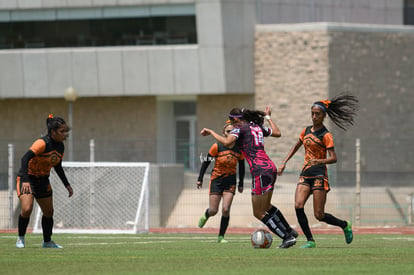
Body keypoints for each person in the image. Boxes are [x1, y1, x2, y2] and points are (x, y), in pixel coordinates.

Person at [201, 107, 297, 248]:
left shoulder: (240, 128)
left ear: (238, 119)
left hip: (259, 170)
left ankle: (286, 237)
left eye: (232, 121)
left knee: (258, 212)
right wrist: (269, 118)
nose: (232, 124)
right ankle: (289, 231)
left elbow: (227, 142)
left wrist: (211, 132)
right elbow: (277, 133)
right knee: (267, 206)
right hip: (270, 167)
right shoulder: (256, 126)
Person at [277, 94, 358, 248]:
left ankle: (344, 225)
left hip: (319, 174)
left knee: (319, 215)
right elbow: (296, 146)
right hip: (305, 173)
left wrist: (320, 161)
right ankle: (310, 241)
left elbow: (334, 158)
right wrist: (284, 163)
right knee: (298, 205)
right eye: (312, 113)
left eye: (317, 114)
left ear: (323, 115)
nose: (314, 117)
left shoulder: (326, 135)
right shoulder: (306, 130)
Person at [15, 114, 73, 249]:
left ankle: (47, 242)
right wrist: (25, 180)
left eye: (66, 131)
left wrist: (67, 185)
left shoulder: (60, 147)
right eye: (62, 131)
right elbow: (25, 159)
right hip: (27, 178)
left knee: (49, 212)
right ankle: (21, 239)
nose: (65, 134)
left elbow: (57, 166)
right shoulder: (41, 143)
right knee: (27, 209)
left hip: (43, 180)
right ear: (53, 132)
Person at [197, 121, 245, 243]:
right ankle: (207, 214)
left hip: (230, 181)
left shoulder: (239, 148)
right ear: (223, 133)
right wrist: (200, 178)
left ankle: (221, 236)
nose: (231, 133)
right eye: (228, 131)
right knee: (214, 210)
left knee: (226, 209)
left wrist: (241, 183)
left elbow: (242, 166)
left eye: (233, 131)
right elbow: (206, 162)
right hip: (217, 180)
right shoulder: (217, 146)